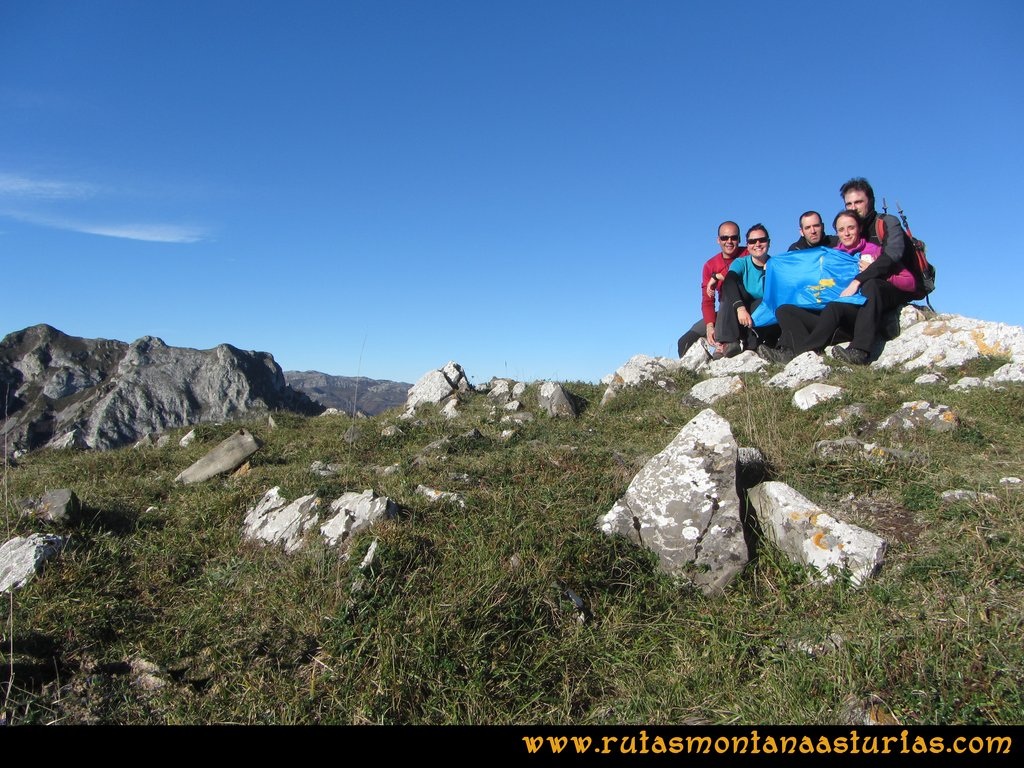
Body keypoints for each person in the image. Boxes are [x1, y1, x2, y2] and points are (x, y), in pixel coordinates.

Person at [760, 207, 916, 364]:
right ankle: (790, 350)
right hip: (828, 317)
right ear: (837, 233)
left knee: (834, 307)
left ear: (860, 228)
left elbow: (909, 281)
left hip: (853, 314)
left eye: (851, 228)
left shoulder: (873, 252)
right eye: (841, 230)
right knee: (785, 310)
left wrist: (874, 271)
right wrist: (773, 265)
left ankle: (803, 354)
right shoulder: (831, 255)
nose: (846, 233)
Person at [677, 221, 748, 357]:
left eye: (733, 237)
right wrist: (710, 325)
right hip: (723, 311)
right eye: (724, 238)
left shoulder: (747, 254)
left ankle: (724, 347)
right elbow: (708, 300)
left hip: (744, 307)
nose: (729, 241)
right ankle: (693, 373)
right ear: (718, 240)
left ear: (739, 239)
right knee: (684, 341)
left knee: (728, 289)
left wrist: (719, 277)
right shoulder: (710, 265)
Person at [709, 223, 772, 357]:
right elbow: (729, 280)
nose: (757, 244)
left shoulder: (776, 265)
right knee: (730, 287)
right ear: (748, 245)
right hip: (739, 308)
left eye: (762, 240)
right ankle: (728, 342)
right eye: (752, 241)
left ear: (769, 242)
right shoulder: (741, 262)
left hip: (762, 310)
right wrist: (740, 308)